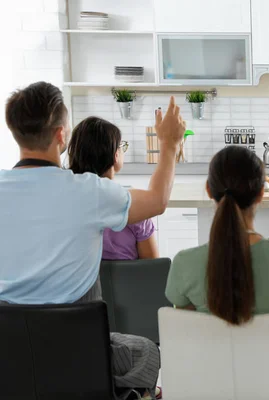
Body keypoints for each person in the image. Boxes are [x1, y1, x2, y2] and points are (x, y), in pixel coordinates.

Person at [0, 81, 185, 400]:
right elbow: (157, 200)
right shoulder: (88, 191)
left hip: (8, 360)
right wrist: (168, 144)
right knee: (144, 351)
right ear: (61, 135)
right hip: (75, 356)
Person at [165, 146, 269, 327]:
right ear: (262, 193)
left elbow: (186, 330)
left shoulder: (184, 264)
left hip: (211, 356)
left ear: (208, 190)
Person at [68, 117, 158, 260]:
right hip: (129, 282)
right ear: (115, 155)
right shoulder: (133, 209)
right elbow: (151, 268)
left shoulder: (66, 206)